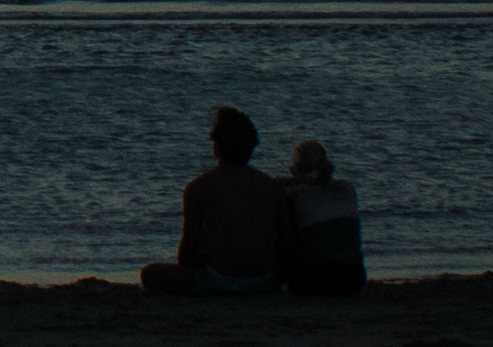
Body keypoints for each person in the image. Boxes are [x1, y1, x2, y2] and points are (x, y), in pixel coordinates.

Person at [144, 106, 299, 296]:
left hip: (218, 280)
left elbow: (187, 251)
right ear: (251, 147)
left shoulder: (199, 187)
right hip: (265, 280)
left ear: (217, 147)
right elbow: (289, 242)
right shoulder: (272, 187)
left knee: (151, 273)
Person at [279, 138, 368, 291]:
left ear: (295, 170)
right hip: (353, 278)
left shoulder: (294, 194)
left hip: (312, 278)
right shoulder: (347, 189)